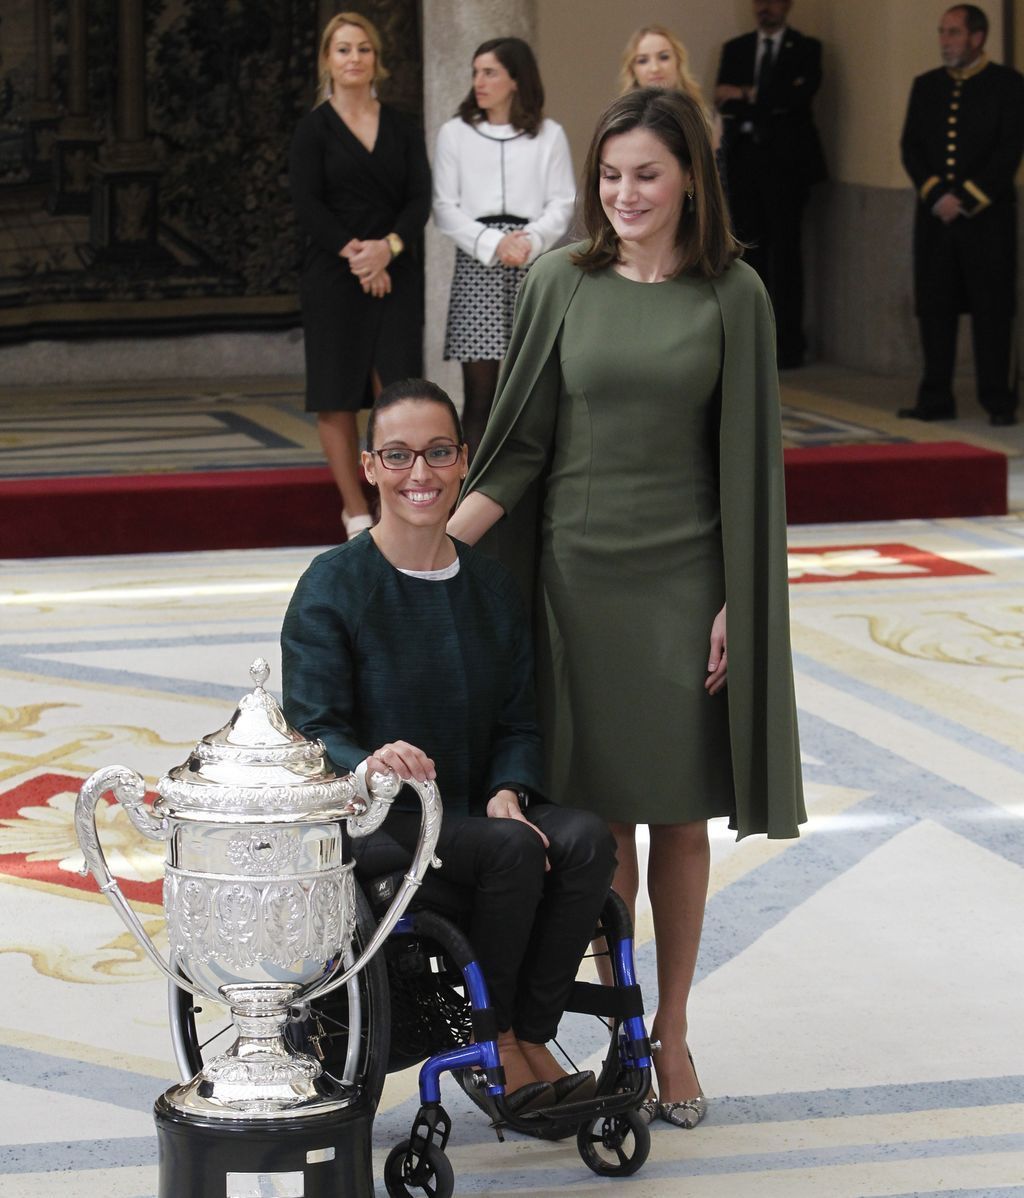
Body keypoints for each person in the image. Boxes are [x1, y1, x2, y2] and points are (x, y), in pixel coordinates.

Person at [448, 87, 805, 1130]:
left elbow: (750, 460)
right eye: (609, 177)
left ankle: (675, 1025)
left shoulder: (733, 294)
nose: (625, 193)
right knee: (599, 821)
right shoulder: (560, 281)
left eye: (646, 173)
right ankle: (622, 1020)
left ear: (691, 175)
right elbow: (517, 444)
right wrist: (419, 553)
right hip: (573, 579)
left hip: (686, 577)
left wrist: (740, 595)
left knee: (681, 815)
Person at [281, 378, 616, 1114]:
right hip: (383, 823)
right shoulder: (334, 585)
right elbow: (313, 726)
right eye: (397, 456)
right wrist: (371, 762)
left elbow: (519, 721)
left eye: (437, 453)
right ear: (369, 467)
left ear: (464, 460)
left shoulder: (490, 589)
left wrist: (509, 787)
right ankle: (490, 1045)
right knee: (513, 851)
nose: (420, 474)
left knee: (586, 838)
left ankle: (531, 1034)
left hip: (474, 808)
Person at [289, 12, 431, 538]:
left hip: (396, 270)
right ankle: (353, 510)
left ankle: (393, 504)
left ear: (378, 60)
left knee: (397, 391)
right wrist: (356, 254)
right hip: (332, 272)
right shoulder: (312, 129)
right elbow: (306, 202)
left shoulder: (401, 126)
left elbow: (420, 198)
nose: (354, 58)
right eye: (343, 49)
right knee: (336, 391)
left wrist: (386, 250)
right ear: (328, 59)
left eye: (363, 49)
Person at [433, 37, 575, 460]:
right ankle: (470, 498)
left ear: (516, 79)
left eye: (490, 72)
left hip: (533, 267)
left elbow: (563, 201)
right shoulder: (455, 133)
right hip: (479, 266)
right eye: (476, 72)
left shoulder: (549, 135)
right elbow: (444, 207)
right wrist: (496, 244)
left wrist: (528, 242)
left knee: (535, 390)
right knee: (480, 396)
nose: (479, 81)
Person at [898, 4, 1023, 427]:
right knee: (935, 308)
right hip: (935, 218)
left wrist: (967, 198)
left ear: (978, 37)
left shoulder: (1007, 85)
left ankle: (997, 400)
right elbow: (910, 147)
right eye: (942, 32)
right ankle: (935, 397)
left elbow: (1009, 151)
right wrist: (935, 195)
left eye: (953, 32)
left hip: (987, 220)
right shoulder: (926, 86)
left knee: (992, 310)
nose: (945, 41)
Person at [714, 0, 826, 368]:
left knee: (787, 256)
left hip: (787, 169)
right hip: (744, 166)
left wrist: (748, 95)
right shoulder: (737, 49)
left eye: (773, 1)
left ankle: (789, 344)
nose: (765, 8)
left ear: (787, 6)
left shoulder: (806, 49)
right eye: (759, 1)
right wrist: (764, 101)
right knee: (750, 255)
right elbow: (722, 99)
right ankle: (752, 340)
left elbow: (796, 99)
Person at [619, 25, 722, 153]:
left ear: (678, 62)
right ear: (632, 69)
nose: (655, 68)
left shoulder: (706, 117)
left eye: (664, 57)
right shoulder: (621, 121)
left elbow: (716, 169)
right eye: (643, 60)